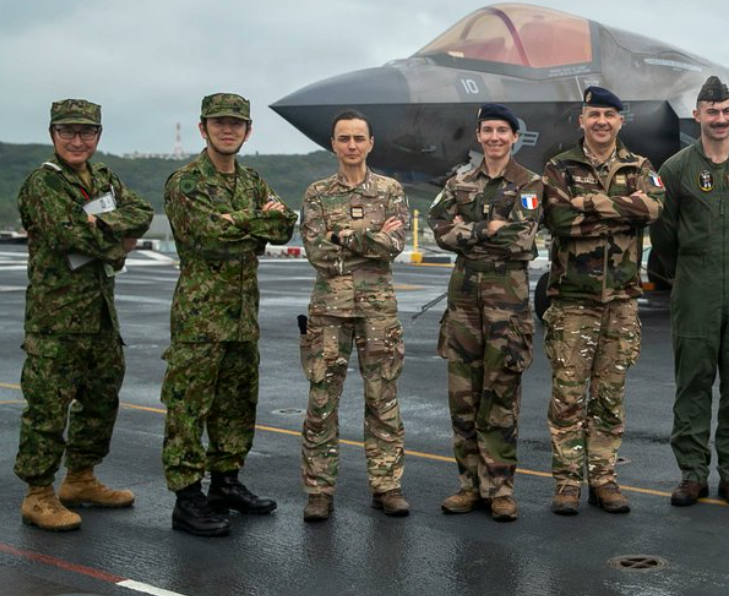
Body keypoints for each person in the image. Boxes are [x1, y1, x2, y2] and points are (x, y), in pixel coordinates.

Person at [161, 93, 297, 537]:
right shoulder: (186, 182)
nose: (228, 130)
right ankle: (186, 498)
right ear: (202, 128)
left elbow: (284, 225)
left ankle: (226, 482)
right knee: (188, 406)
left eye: (236, 124)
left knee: (236, 404)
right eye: (219, 123)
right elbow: (206, 236)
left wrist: (241, 221)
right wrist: (255, 223)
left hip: (242, 317)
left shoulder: (252, 180)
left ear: (248, 131)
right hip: (200, 320)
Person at [15, 100, 152, 531]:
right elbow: (65, 232)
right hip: (56, 318)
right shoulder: (44, 183)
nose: (77, 141)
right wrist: (119, 242)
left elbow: (143, 213)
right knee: (48, 407)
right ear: (53, 134)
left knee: (101, 399)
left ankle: (80, 478)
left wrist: (100, 226)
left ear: (98, 135)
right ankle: (38, 493)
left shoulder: (105, 178)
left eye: (87, 133)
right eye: (68, 132)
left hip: (99, 315)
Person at [650, 77, 729, 508]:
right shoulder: (676, 169)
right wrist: (686, 272)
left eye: (726, 111)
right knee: (693, 382)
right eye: (711, 112)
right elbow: (663, 235)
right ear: (697, 115)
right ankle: (692, 474)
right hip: (695, 288)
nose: (719, 119)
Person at [542, 86, 665, 515]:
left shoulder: (639, 166)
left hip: (621, 301)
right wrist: (620, 211)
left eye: (609, 115)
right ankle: (566, 483)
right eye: (593, 114)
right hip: (573, 301)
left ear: (620, 121)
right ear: (581, 119)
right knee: (569, 395)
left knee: (610, 396)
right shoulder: (559, 168)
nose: (601, 122)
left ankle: (605, 478)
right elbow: (559, 220)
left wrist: (591, 204)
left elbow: (653, 209)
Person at [429, 104, 543, 524]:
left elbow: (521, 238)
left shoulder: (530, 183)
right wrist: (485, 230)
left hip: (506, 309)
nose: (494, 137)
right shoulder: (458, 182)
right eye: (487, 130)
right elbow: (438, 228)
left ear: (514, 136)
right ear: (478, 136)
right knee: (463, 399)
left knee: (500, 398)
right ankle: (469, 486)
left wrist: (468, 232)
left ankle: (500, 489)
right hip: (463, 307)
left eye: (502, 130)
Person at [299, 110, 410, 522]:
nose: (351, 145)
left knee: (383, 399)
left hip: (378, 311)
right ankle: (319, 490)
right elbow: (317, 252)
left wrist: (342, 235)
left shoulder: (390, 190)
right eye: (343, 138)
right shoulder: (316, 194)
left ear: (370, 144)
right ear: (333, 144)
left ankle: (387, 486)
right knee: (322, 401)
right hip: (329, 311)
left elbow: (394, 244)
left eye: (358, 138)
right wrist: (369, 240)